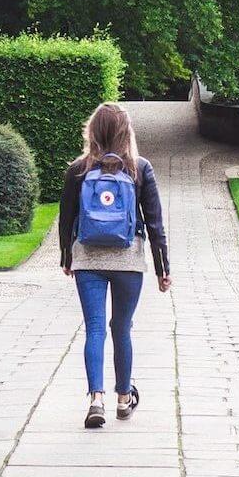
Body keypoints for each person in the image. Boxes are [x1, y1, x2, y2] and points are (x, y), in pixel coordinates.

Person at [58, 102, 170, 429]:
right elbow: (155, 223)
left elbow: (66, 219)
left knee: (94, 328)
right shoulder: (139, 168)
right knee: (121, 328)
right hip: (129, 260)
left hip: (88, 258)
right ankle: (123, 398)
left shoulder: (79, 169)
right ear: (126, 132)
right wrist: (162, 268)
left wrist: (67, 257)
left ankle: (96, 399)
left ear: (92, 131)